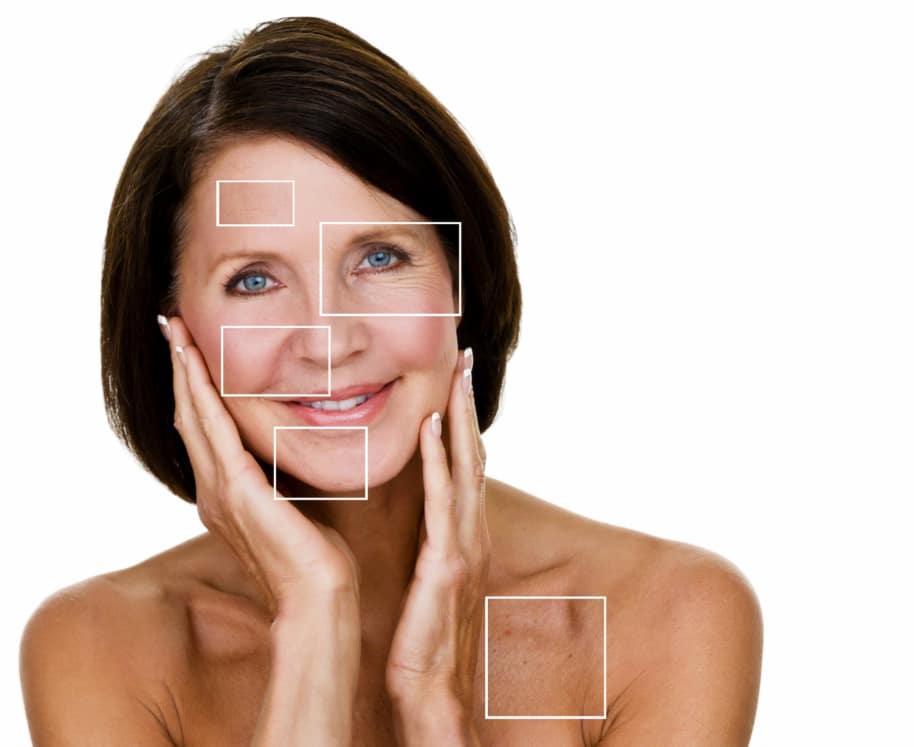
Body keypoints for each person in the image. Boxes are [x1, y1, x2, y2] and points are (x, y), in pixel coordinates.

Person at [20, 16, 762, 746]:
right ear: (171, 326)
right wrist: (314, 616)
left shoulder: (666, 614)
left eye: (378, 258)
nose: (330, 340)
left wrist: (432, 698)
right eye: (253, 279)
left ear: (459, 282)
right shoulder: (101, 647)